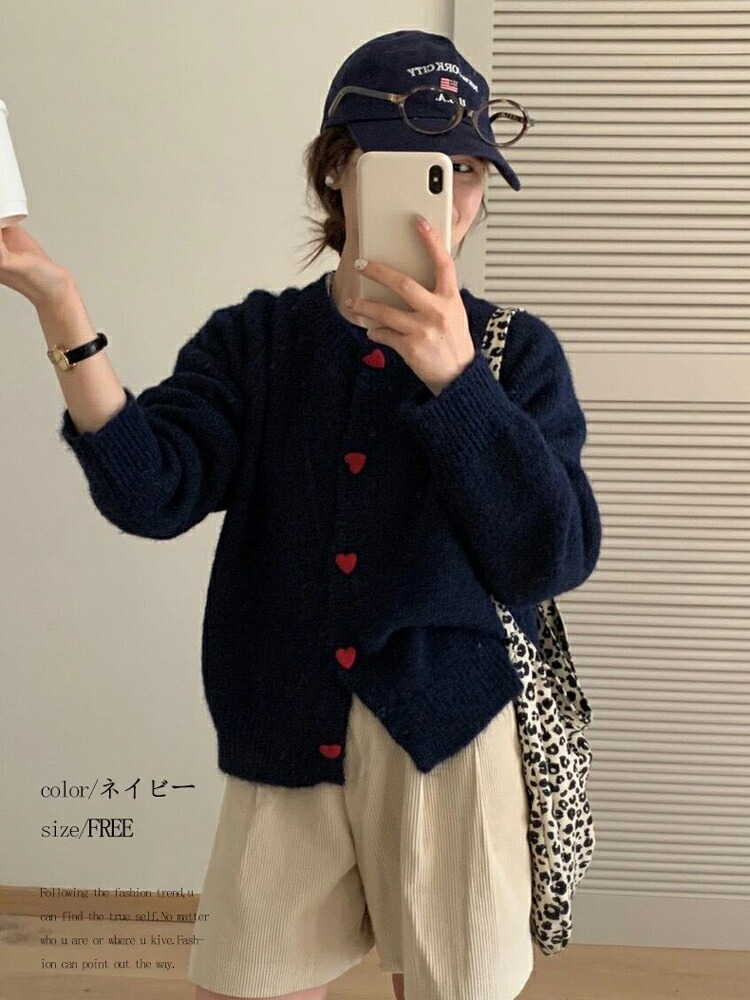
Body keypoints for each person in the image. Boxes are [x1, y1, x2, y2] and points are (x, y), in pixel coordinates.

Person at [0, 29, 601, 1000]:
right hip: (286, 732)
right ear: (339, 172)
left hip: (452, 741)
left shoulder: (516, 354)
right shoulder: (260, 341)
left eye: (467, 173)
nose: (449, 199)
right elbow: (152, 490)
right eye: (418, 169)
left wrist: (457, 383)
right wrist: (59, 306)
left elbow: (549, 555)